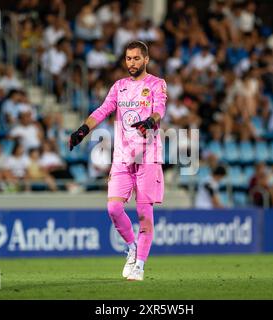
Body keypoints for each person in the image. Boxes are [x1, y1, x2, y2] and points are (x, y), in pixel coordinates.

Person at [68, 41, 167, 281]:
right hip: (122, 157)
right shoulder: (119, 86)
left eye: (136, 58)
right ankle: (132, 248)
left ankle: (140, 265)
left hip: (148, 156)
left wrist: (151, 122)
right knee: (113, 207)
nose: (131, 63)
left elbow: (159, 109)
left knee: (144, 215)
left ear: (146, 60)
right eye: (128, 58)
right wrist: (83, 129)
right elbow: (103, 110)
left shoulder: (156, 84)